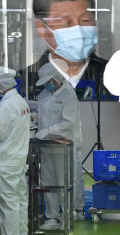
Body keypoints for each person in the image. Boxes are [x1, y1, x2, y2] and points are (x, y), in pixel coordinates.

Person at [24, 0, 109, 101]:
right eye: (65, 22)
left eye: (85, 20)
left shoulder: (117, 75)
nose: (78, 31)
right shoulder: (25, 81)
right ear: (41, 27)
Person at [0, 67, 31, 235]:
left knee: (8, 204)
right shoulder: (20, 102)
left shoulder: (7, 105)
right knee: (19, 201)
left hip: (6, 160)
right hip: (17, 159)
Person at [34, 58, 84, 225]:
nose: (46, 85)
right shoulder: (43, 95)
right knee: (48, 182)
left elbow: (68, 123)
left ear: (56, 78)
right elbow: (42, 116)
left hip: (64, 146)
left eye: (48, 81)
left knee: (65, 181)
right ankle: (52, 216)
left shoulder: (68, 94)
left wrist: (47, 132)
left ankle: (69, 214)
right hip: (46, 146)